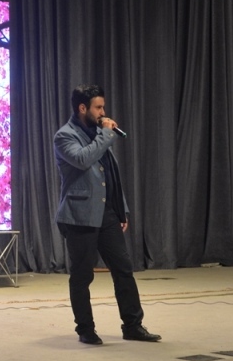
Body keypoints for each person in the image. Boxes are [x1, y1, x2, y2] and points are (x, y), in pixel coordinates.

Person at [53, 84, 161, 345]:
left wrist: (121, 208)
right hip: (79, 216)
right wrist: (105, 134)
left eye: (103, 107)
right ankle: (86, 329)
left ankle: (133, 325)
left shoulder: (98, 133)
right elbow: (82, 159)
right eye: (98, 107)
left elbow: (110, 174)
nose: (103, 112)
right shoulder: (65, 136)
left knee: (123, 269)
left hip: (107, 213)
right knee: (82, 275)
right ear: (83, 108)